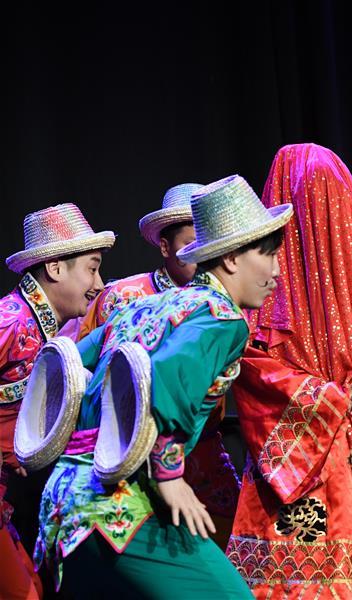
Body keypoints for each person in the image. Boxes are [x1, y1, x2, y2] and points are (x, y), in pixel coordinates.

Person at [33, 175, 291, 598]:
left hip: (64, 501)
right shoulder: (222, 320)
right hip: (121, 505)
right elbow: (168, 380)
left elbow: (69, 364)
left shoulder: (144, 307)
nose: (277, 271)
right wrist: (170, 475)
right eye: (269, 256)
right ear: (231, 259)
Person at [225, 143, 352, 598]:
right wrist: (344, 394)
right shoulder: (268, 289)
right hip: (313, 467)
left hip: (340, 459)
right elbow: (250, 367)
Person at [77, 182, 241, 549]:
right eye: (191, 244)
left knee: (232, 542)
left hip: (202, 448)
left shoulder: (229, 299)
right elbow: (83, 371)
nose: (203, 253)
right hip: (128, 452)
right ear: (165, 247)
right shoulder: (124, 297)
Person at [1, 203, 113, 599]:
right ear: (54, 268)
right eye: (92, 268)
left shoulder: (45, 331)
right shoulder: (11, 322)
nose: (99, 283)